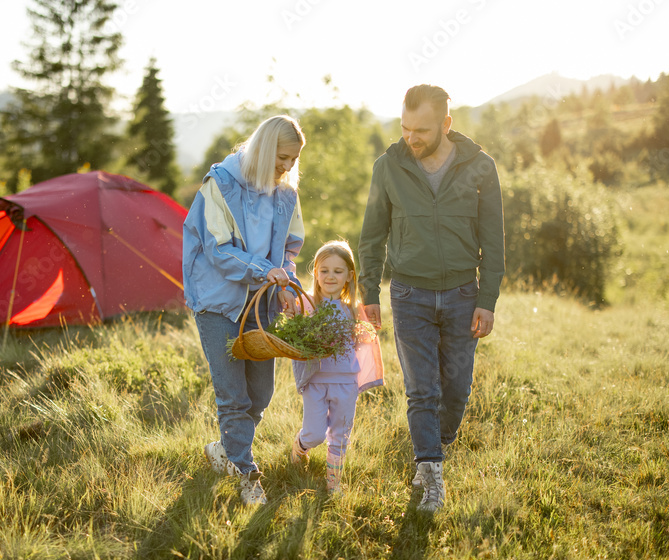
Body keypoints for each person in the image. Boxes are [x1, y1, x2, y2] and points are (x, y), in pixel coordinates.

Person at [358, 84, 505, 513]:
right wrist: (369, 291)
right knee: (422, 391)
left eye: (421, 130)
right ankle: (431, 472)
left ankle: (433, 446)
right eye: (405, 128)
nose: (411, 137)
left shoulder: (481, 167)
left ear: (446, 124)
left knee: (455, 391)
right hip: (409, 293)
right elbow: (372, 235)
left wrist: (488, 298)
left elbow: (494, 240)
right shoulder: (388, 166)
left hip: (463, 293)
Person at [182, 115, 307, 505]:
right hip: (218, 302)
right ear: (266, 148)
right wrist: (261, 269)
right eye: (282, 157)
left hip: (261, 304)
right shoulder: (218, 185)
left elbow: (289, 249)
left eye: (294, 160)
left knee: (260, 394)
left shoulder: (286, 195)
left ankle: (225, 449)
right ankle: (246, 473)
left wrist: (286, 281)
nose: (287, 167)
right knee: (233, 396)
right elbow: (218, 250)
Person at [290, 240, 383, 494]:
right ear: (316, 274)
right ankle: (300, 445)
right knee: (315, 434)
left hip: (345, 381)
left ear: (349, 276)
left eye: (338, 271)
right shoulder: (307, 305)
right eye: (324, 270)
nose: (330, 276)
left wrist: (366, 330)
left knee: (340, 435)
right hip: (316, 380)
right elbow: (294, 335)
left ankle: (334, 484)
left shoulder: (354, 310)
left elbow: (364, 342)